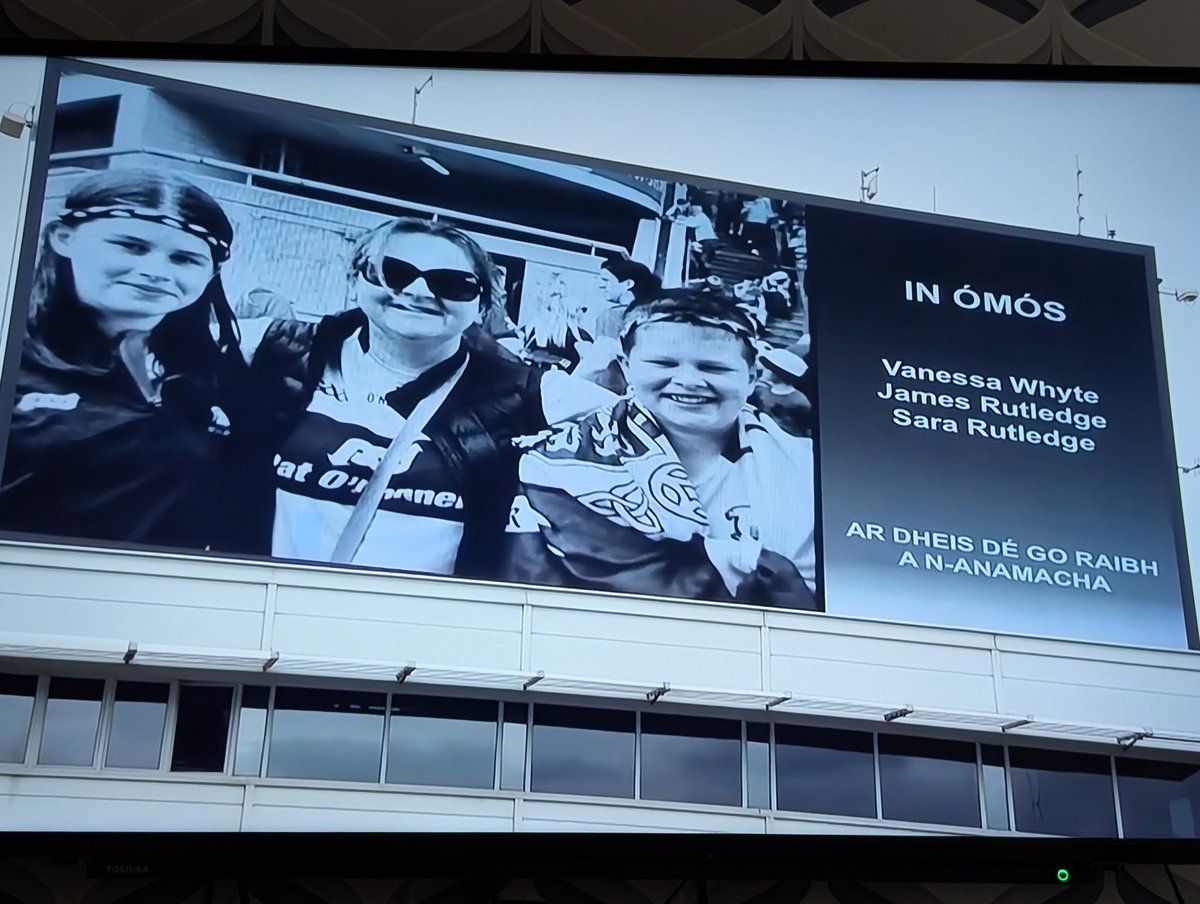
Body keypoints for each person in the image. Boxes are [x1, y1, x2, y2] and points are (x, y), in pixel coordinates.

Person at [229, 216, 548, 578]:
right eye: (393, 272)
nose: (418, 291)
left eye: (451, 283)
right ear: (354, 279)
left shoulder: (526, 394)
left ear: (483, 304)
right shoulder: (275, 349)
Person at [504, 288, 818, 609]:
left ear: (751, 378)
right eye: (663, 363)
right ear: (626, 368)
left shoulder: (808, 469)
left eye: (713, 368)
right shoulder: (555, 464)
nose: (688, 381)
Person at [0, 167, 242, 547]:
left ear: (212, 274)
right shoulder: (13, 359)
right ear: (64, 238)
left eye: (184, 259)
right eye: (130, 245)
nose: (154, 272)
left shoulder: (214, 370)